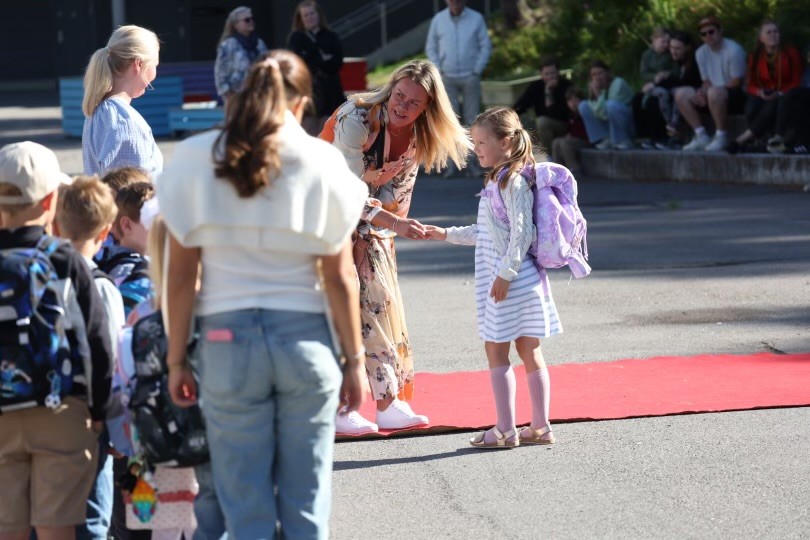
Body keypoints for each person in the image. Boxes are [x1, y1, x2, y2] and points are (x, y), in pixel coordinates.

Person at [158, 50, 368, 538]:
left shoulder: (194, 157)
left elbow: (181, 275)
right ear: (301, 105)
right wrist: (354, 360)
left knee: (244, 502)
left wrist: (175, 360)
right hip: (304, 339)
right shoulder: (323, 161)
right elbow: (339, 277)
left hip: (227, 341)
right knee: (306, 499)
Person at [320, 59, 471, 434]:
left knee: (381, 297)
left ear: (428, 109)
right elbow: (344, 189)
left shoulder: (420, 137)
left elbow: (395, 201)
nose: (402, 106)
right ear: (390, 90)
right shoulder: (355, 117)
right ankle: (342, 407)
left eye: (414, 102)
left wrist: (382, 237)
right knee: (343, 307)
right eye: (399, 95)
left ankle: (388, 401)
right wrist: (383, 227)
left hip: (367, 218)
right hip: (318, 207)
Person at [423, 107, 561, 448]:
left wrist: (505, 274)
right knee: (530, 351)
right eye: (474, 141)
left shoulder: (511, 181)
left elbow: (522, 231)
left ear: (506, 141)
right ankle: (540, 427)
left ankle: (504, 430)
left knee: (496, 351)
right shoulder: (501, 178)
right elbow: (485, 231)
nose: (477, 148)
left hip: (510, 280)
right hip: (522, 280)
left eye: (482, 141)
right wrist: (444, 234)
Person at [0, 141, 114, 539]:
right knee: (55, 524)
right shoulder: (63, 258)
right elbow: (98, 339)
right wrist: (98, 408)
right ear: (52, 201)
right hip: (61, 410)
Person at [55, 176, 127, 540]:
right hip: (90, 421)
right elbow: (112, 362)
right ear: (105, 233)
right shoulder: (101, 287)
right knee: (94, 517)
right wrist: (118, 431)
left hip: (44, 411)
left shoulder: (40, 278)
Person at [82, 25, 163, 177]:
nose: (156, 72)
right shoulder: (124, 121)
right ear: (138, 64)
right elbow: (131, 192)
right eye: (155, 65)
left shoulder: (99, 111)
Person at [426, 0, 491, 176]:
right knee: (449, 121)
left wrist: (477, 70)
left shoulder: (476, 18)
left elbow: (485, 46)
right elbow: (431, 48)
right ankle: (452, 164)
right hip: (448, 78)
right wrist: (439, 70)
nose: (455, 2)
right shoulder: (438, 20)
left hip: (470, 76)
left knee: (473, 121)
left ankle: (474, 163)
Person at [675, 16, 747, 152]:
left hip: (735, 95)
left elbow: (737, 81)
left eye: (711, 32)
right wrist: (702, 93)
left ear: (720, 31)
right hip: (713, 94)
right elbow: (706, 81)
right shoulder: (700, 53)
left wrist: (710, 92)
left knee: (714, 92)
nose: (708, 36)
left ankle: (721, 136)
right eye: (704, 34)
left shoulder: (734, 50)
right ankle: (701, 135)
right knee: (681, 93)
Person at [730, 20, 802, 153]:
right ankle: (761, 140)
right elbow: (750, 84)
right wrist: (760, 92)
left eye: (776, 32)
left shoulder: (790, 53)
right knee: (751, 106)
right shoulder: (755, 56)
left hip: (786, 93)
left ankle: (744, 139)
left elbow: (796, 81)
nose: (773, 35)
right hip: (765, 93)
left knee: (774, 104)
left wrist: (780, 93)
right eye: (768, 32)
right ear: (761, 38)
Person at [635, 30, 702, 149]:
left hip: (691, 92)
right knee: (643, 99)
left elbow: (684, 81)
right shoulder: (666, 58)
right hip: (671, 89)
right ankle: (652, 137)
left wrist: (657, 83)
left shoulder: (692, 61)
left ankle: (670, 134)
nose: (672, 51)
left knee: (662, 99)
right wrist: (655, 82)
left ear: (687, 48)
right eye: (671, 47)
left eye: (677, 48)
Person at [288, 0, 345, 133]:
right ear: (301, 19)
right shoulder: (296, 38)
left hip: (331, 92)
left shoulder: (331, 36)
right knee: (309, 131)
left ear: (318, 14)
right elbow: (299, 64)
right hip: (309, 92)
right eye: (305, 15)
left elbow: (336, 63)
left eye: (312, 13)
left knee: (330, 131)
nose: (309, 17)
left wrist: (310, 56)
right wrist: (322, 58)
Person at [513, 57, 572, 155]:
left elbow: (558, 112)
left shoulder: (566, 86)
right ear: (542, 75)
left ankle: (549, 155)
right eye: (546, 74)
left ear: (558, 73)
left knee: (543, 122)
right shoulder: (536, 87)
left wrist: (548, 93)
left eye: (552, 73)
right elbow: (521, 105)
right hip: (545, 129)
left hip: (565, 126)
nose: (550, 77)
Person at [633, 27, 678, 148]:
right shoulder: (647, 55)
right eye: (662, 41)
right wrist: (654, 77)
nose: (665, 45)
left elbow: (675, 71)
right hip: (651, 84)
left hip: (666, 84)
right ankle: (644, 136)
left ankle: (662, 135)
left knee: (655, 101)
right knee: (637, 99)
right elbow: (643, 73)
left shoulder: (669, 55)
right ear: (654, 40)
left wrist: (665, 74)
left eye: (667, 42)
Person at [214, 6, 268, 102]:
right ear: (236, 25)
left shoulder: (259, 44)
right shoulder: (228, 45)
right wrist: (227, 94)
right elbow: (220, 73)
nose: (251, 21)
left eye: (252, 19)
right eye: (246, 20)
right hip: (236, 96)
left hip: (258, 95)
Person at [578, 60, 635, 150]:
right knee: (583, 106)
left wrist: (598, 94)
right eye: (594, 75)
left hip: (629, 125)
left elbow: (605, 114)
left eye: (600, 73)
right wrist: (594, 95)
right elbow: (596, 111)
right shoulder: (599, 89)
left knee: (611, 105)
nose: (597, 77)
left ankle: (623, 140)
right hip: (610, 127)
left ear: (607, 72)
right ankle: (604, 139)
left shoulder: (618, 83)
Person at [551, 87, 589, 176]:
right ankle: (558, 170)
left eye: (576, 100)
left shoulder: (583, 112)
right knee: (556, 142)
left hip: (585, 140)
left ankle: (575, 169)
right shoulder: (571, 115)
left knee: (565, 143)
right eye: (570, 101)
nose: (573, 103)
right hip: (575, 139)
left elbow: (583, 132)